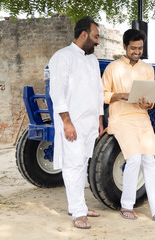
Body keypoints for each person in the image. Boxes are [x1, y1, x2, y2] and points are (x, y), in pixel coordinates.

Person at [102, 29, 155, 226]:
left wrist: (148, 104)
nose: (137, 52)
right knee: (134, 158)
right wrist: (122, 95)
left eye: (140, 48)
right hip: (120, 117)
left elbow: (150, 98)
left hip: (141, 117)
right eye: (133, 48)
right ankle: (127, 205)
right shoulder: (112, 68)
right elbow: (102, 94)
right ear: (124, 47)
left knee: (149, 162)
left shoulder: (147, 69)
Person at [49, 16, 104, 229]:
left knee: (82, 164)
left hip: (90, 123)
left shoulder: (92, 59)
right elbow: (57, 92)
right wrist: (67, 121)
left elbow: (98, 91)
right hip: (72, 123)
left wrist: (99, 118)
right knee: (73, 165)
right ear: (84, 35)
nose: (98, 41)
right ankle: (79, 213)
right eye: (96, 37)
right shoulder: (62, 57)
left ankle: (77, 205)